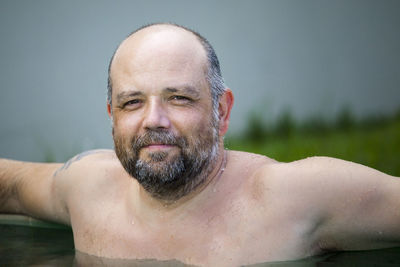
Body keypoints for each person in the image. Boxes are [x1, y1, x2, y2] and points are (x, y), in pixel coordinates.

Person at [0, 23, 399, 266]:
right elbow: (11, 185)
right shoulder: (87, 187)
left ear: (222, 112)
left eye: (179, 98)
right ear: (112, 116)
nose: (153, 119)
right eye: (132, 102)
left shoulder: (293, 197)